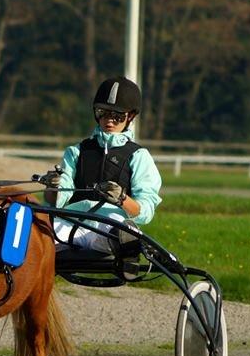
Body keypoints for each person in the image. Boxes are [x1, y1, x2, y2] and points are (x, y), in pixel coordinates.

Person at [42, 76, 163, 253]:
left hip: (111, 226)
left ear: (131, 116)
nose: (109, 120)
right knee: (35, 231)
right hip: (73, 222)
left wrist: (122, 199)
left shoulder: (139, 156)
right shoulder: (76, 152)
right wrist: (53, 188)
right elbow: (59, 199)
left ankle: (115, 244)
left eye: (117, 116)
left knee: (125, 233)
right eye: (102, 112)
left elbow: (145, 211)